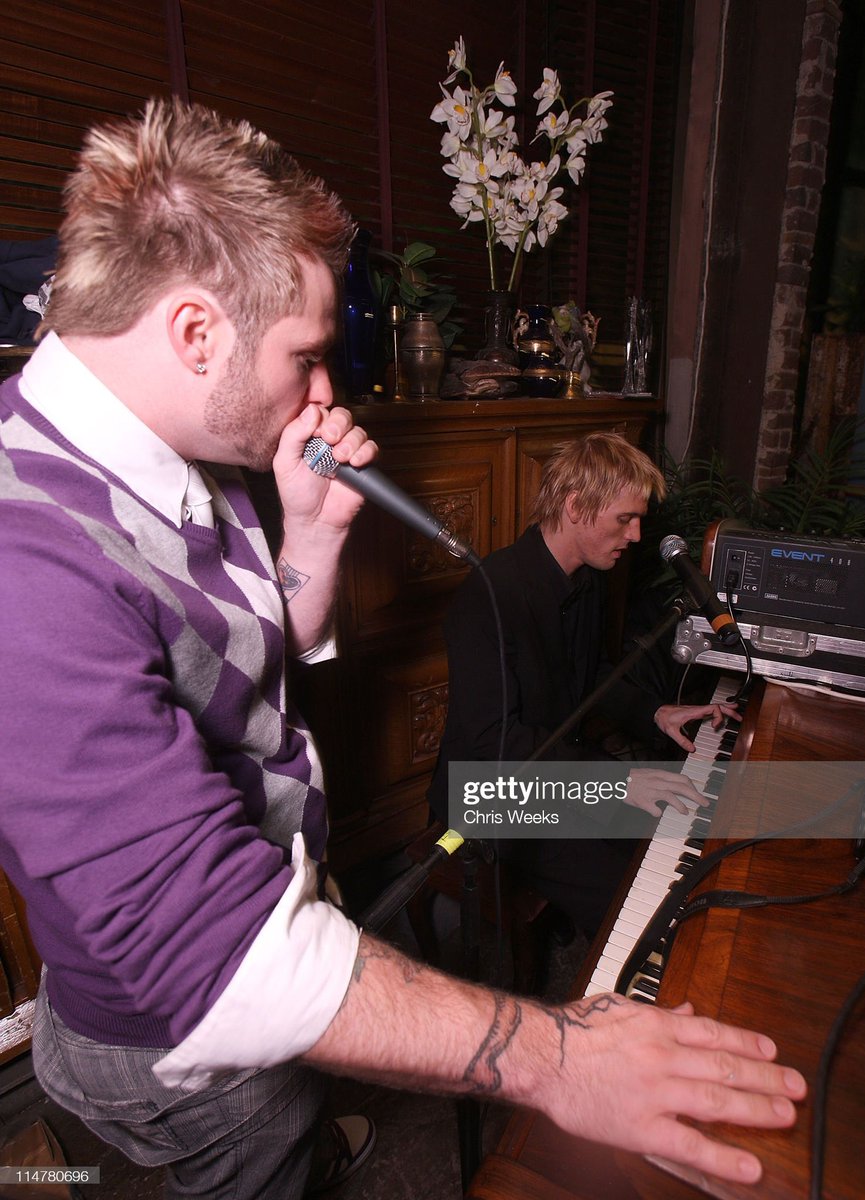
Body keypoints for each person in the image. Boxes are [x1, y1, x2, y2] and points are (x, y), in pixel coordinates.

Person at [0, 98, 804, 1199]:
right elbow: (221, 956)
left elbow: (240, 667)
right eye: (307, 355)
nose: (324, 394)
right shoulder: (24, 566)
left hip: (301, 905)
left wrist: (314, 535)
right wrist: (560, 1054)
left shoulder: (183, 455)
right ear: (196, 334)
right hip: (180, 1035)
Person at [428, 431, 741, 937]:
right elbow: (493, 743)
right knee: (625, 893)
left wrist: (653, 712)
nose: (637, 536)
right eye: (625, 519)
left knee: (664, 835)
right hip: (485, 792)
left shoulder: (587, 579)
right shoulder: (490, 594)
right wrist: (613, 781)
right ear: (576, 507)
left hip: (552, 772)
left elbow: (591, 674)